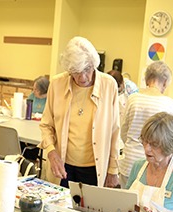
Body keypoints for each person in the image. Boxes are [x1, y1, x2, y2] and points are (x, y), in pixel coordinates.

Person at [39, 36, 122, 188]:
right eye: (76, 72)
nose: (83, 77)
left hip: (94, 168)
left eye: (87, 69)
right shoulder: (57, 84)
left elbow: (115, 132)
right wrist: (51, 152)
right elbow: (46, 125)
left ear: (94, 64)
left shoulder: (109, 85)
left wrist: (113, 170)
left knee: (90, 210)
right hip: (62, 166)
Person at [120, 61, 173, 184]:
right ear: (165, 82)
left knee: (127, 200)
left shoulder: (133, 99)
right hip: (155, 165)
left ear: (147, 79)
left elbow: (123, 131)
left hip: (129, 161)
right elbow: (172, 140)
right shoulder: (169, 104)